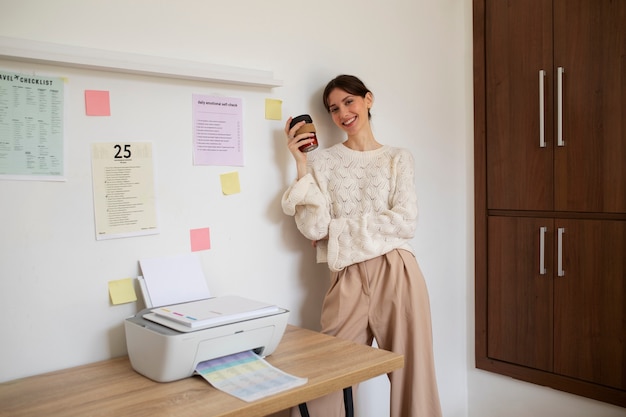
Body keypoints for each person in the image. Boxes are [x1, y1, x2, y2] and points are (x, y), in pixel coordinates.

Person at [281, 74, 442, 417]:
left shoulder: (398, 158)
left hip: (396, 271)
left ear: (368, 100)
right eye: (333, 108)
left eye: (349, 102)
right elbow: (313, 227)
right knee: (330, 373)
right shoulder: (322, 162)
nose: (343, 113)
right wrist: (300, 164)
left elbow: (406, 221)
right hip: (347, 276)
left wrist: (337, 231)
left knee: (414, 375)